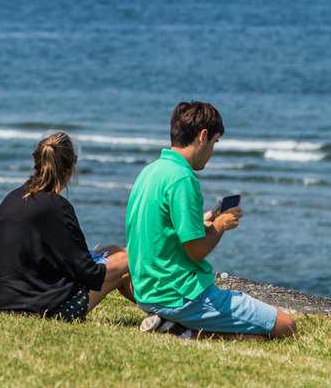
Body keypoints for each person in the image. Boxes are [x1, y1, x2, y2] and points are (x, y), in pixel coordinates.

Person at [125, 101, 296, 340]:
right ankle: (184, 332)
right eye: (215, 142)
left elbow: (161, 228)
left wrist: (202, 220)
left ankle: (174, 326)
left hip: (147, 291)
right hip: (179, 295)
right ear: (203, 136)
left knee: (258, 335)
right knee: (286, 326)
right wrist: (221, 224)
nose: (213, 151)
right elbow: (196, 250)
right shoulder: (183, 178)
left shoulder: (151, 171)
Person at [0, 132, 133, 319]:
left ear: (36, 163)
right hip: (35, 308)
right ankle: (165, 315)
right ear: (70, 167)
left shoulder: (14, 197)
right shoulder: (57, 208)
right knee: (126, 265)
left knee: (116, 251)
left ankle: (162, 315)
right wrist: (139, 258)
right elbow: (91, 276)